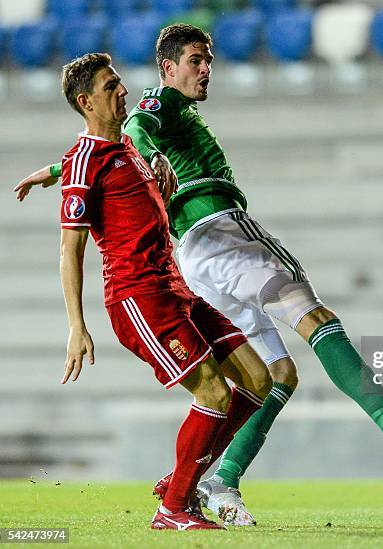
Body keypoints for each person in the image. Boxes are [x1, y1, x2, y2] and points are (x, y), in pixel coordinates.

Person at [15, 24, 383, 527]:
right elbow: (135, 130)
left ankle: (221, 480)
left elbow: (108, 152)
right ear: (168, 68)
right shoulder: (162, 103)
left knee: (272, 376)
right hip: (218, 232)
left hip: (191, 264)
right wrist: (146, 153)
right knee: (311, 315)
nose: (206, 69)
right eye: (196, 60)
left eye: (208, 60)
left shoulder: (121, 142)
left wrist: (54, 169)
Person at [45, 52, 272, 531]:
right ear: (86, 101)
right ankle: (174, 509)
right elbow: (70, 249)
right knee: (212, 388)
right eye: (110, 87)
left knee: (257, 380)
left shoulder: (129, 150)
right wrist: (76, 325)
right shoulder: (85, 159)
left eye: (120, 82)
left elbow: (113, 191)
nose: (122, 90)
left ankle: (182, 480)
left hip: (175, 288)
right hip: (138, 296)